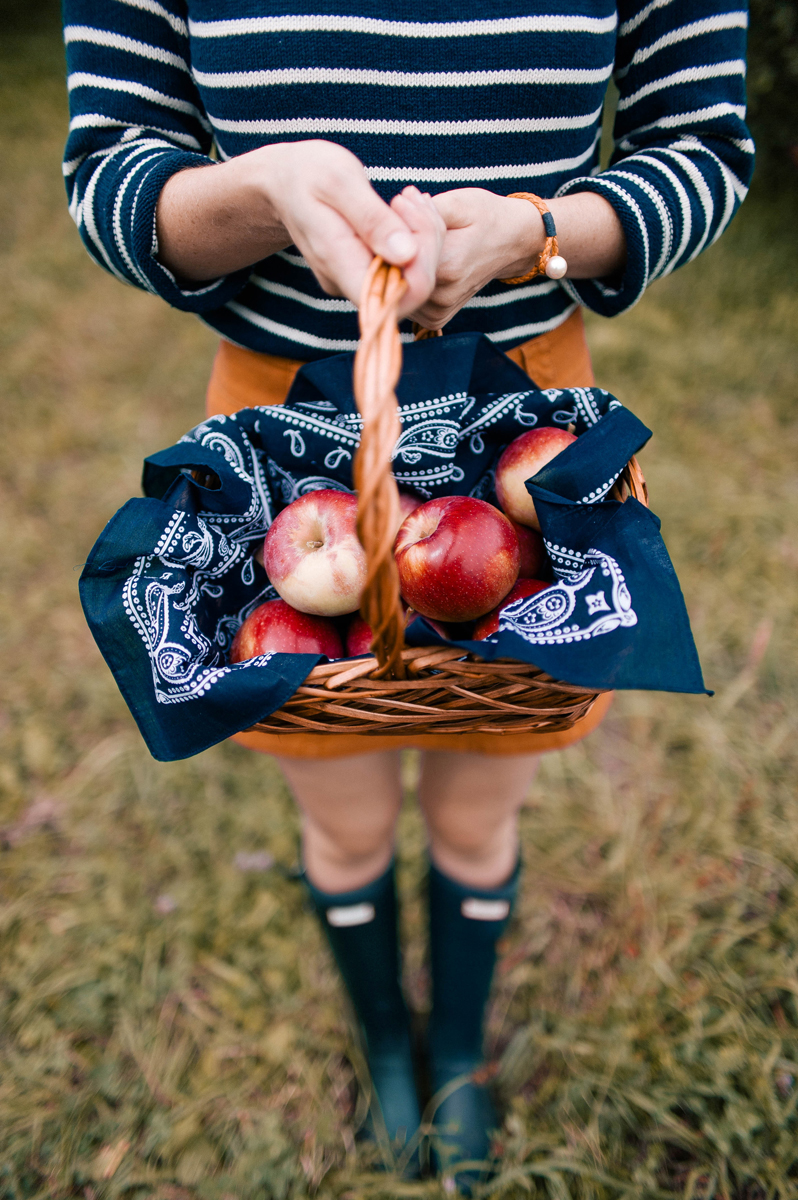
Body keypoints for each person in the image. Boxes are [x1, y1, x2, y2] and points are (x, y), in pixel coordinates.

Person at [62, 0, 752, 1187]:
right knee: (342, 814)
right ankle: (390, 1038)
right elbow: (110, 176)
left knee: (482, 813)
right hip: (276, 435)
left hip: (523, 427)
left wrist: (540, 232)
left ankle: (462, 1052)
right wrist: (263, 193)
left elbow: (703, 148)